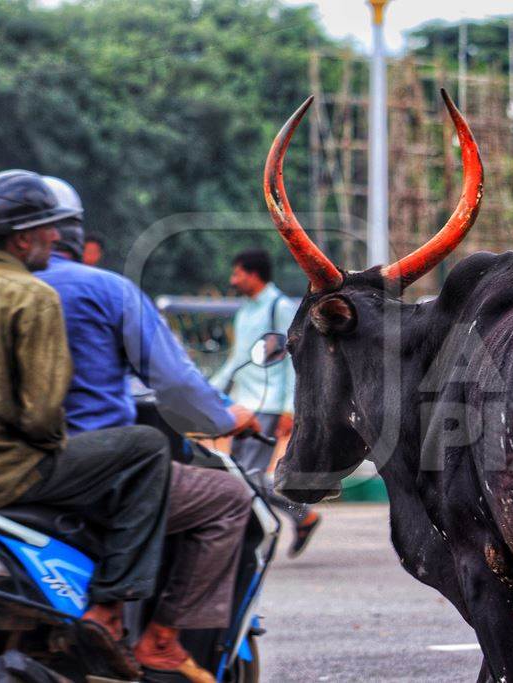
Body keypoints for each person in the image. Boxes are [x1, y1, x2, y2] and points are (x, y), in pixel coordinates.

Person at [0, 170, 168, 678]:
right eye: (48, 229)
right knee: (147, 446)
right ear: (22, 239)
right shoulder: (32, 295)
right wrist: (51, 443)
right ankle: (108, 609)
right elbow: (41, 415)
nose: (57, 239)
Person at [36, 177, 260, 681]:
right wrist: (228, 418)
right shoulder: (106, 290)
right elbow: (178, 386)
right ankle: (159, 637)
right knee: (226, 496)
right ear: (70, 236)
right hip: (85, 472)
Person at [210, 249, 321, 557]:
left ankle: (249, 540)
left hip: (270, 403)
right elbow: (237, 359)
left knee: (247, 476)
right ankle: (301, 516)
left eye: (237, 274)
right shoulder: (244, 311)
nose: (233, 280)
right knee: (244, 475)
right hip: (243, 403)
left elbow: (292, 361)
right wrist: (208, 391)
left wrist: (290, 406)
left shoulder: (279, 307)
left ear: (253, 275)